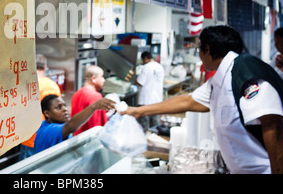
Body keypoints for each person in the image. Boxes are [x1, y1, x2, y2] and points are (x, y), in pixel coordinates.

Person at [121, 25, 283, 174]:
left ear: (207, 49)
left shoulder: (245, 72)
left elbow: (273, 126)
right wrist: (136, 110)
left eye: (199, 49)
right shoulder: (219, 80)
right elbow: (187, 101)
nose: (198, 54)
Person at [34, 94, 115, 153]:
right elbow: (70, 126)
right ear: (47, 113)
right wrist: (93, 106)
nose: (65, 109)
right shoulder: (48, 131)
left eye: (64, 106)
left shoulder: (45, 124)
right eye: (58, 107)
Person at [18, 54, 62, 161]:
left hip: (30, 136)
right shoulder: (53, 85)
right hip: (46, 135)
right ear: (45, 67)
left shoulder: (27, 85)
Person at [70, 65, 107, 136]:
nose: (104, 80)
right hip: (89, 141)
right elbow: (96, 126)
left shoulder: (76, 94)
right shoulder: (96, 96)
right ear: (93, 79)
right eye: (102, 76)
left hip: (77, 140)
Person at [134, 51, 165, 131]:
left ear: (145, 58)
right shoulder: (160, 67)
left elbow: (140, 82)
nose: (143, 62)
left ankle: (144, 141)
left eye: (143, 60)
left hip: (145, 100)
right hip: (157, 100)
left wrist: (134, 81)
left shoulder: (146, 67)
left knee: (144, 125)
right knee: (155, 126)